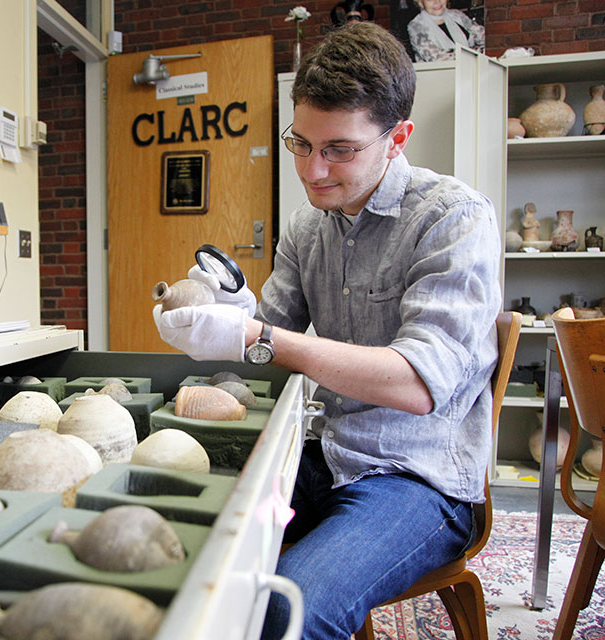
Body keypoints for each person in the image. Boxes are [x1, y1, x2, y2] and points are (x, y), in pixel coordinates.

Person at [152, 22, 501, 640]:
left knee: (286, 607)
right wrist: (229, 310)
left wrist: (256, 336)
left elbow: (420, 383)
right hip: (329, 455)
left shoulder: (453, 218)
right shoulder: (307, 229)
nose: (313, 171)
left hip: (419, 478)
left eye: (340, 149)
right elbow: (271, 338)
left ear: (397, 139)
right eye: (300, 143)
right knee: (194, 551)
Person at [407, 0, 485, 62]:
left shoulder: (458, 15)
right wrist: (477, 53)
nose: (437, 2)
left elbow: (486, 40)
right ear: (421, 2)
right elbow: (436, 58)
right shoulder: (416, 26)